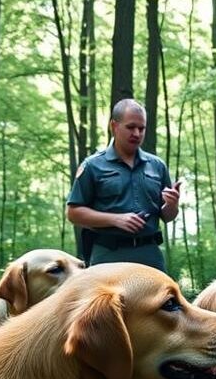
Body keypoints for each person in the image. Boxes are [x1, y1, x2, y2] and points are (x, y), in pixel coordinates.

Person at [66, 98, 180, 272]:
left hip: (149, 254)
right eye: (131, 127)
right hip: (108, 254)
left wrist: (172, 205)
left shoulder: (157, 166)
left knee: (164, 292)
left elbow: (167, 217)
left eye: (141, 128)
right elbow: (73, 213)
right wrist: (116, 219)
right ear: (114, 126)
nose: (137, 133)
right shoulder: (92, 166)